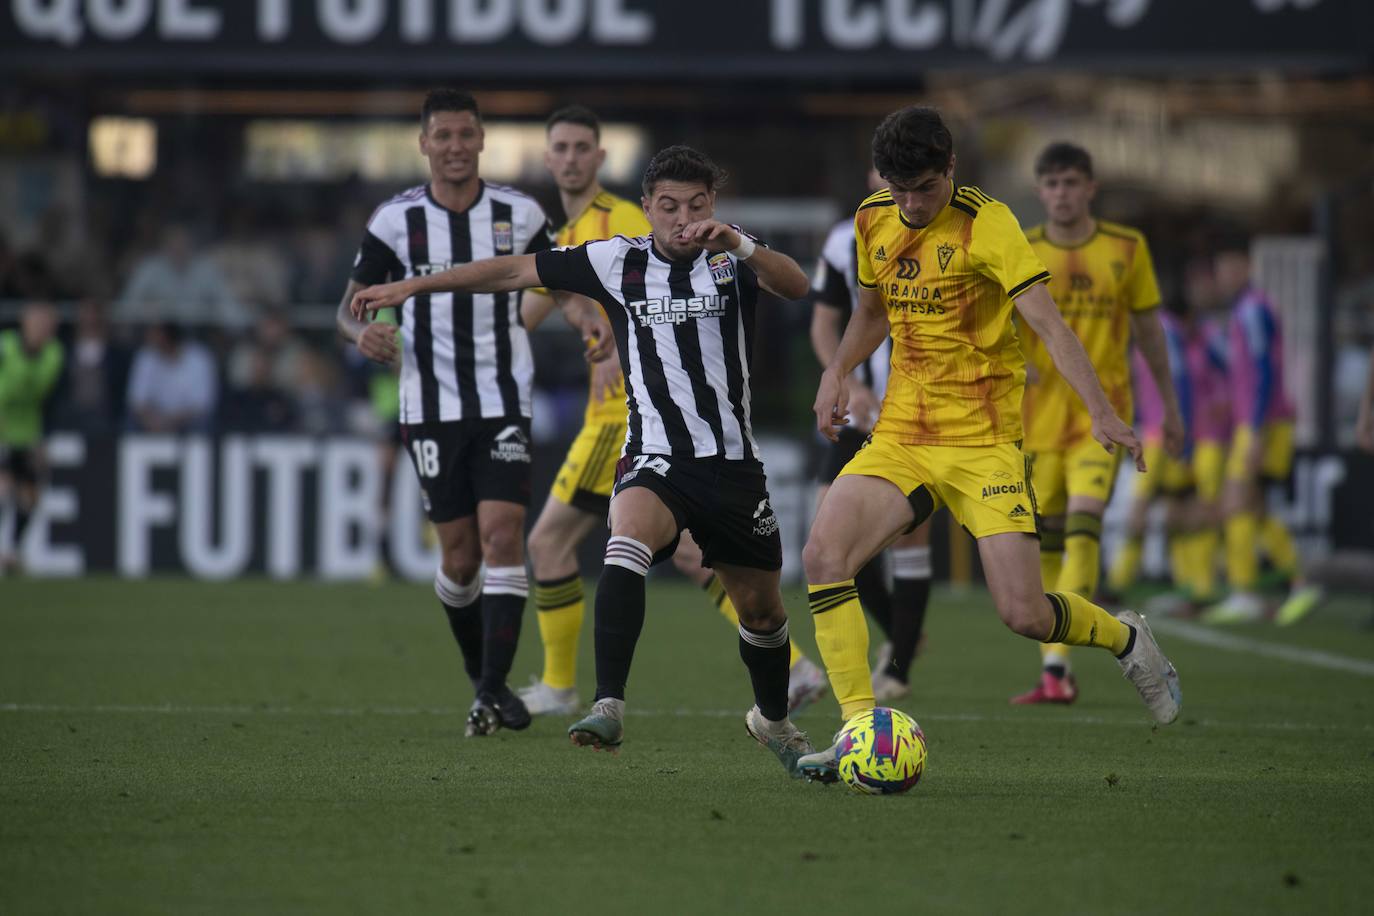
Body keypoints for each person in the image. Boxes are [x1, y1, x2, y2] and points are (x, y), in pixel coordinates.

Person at [353, 145, 818, 776]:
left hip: (733, 464)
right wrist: (413, 285)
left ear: (714, 205)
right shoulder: (615, 260)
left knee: (762, 613)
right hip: (654, 455)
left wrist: (738, 243)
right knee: (624, 539)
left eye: (698, 205)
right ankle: (608, 705)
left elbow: (797, 285)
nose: (684, 218)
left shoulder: (730, 256)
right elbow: (511, 271)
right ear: (648, 208)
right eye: (670, 206)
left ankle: (774, 721)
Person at [795, 107, 1183, 782]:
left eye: (924, 187)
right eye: (899, 189)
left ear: (950, 168)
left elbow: (1051, 326)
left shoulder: (988, 222)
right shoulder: (871, 217)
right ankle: (861, 731)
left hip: (984, 444)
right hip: (903, 436)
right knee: (824, 557)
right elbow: (871, 310)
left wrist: (1103, 412)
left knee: (1025, 615)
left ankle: (1125, 637)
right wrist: (838, 372)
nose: (911, 204)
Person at [515, 106, 828, 717]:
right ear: (548, 157)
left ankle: (787, 670)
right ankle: (594, 696)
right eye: (561, 147)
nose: (572, 157)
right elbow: (540, 298)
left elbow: (794, 285)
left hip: (639, 424)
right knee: (613, 542)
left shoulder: (631, 223)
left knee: (569, 542)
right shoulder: (581, 232)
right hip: (647, 436)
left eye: (583, 146)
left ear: (601, 158)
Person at [336, 89, 611, 738]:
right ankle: (483, 679)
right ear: (424, 144)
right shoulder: (394, 222)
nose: (456, 146)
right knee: (459, 559)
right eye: (444, 136)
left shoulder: (518, 212)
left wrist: (586, 320)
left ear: (483, 139)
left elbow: (559, 284)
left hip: (502, 399)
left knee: (501, 537)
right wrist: (362, 335)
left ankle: (492, 689)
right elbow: (347, 310)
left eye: (466, 135)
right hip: (428, 404)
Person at [1010, 142, 1184, 704]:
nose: (1061, 193)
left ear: (1091, 187)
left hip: (1101, 419)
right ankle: (1057, 668)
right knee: (1049, 540)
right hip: (1035, 424)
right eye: (1052, 184)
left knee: (1084, 522)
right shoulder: (1020, 249)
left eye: (1071, 182)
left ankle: (1057, 669)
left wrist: (1171, 410)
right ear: (1040, 192)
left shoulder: (1126, 248)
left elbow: (1151, 334)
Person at [810, 167, 933, 704]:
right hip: (862, 413)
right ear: (871, 173)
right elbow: (825, 323)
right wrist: (848, 380)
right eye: (887, 171)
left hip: (919, 417)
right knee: (830, 537)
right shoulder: (847, 237)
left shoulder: (956, 230)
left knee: (910, 537)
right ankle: (903, 633)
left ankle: (899, 668)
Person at [1204, 233, 1304, 624]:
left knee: (1236, 501)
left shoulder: (1252, 310)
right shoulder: (1245, 310)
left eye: (1232, 265)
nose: (1225, 274)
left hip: (1261, 423)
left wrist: (1256, 428)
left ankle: (1245, 590)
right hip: (1256, 421)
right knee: (1254, 506)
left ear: (1248, 266)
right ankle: (1299, 579)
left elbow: (1263, 371)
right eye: (1221, 267)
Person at [0, 301, 64, 573]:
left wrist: (42, 438)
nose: (42, 329)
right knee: (3, 489)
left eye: (47, 324)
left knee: (30, 497)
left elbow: (48, 401)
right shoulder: (4, 348)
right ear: (24, 323)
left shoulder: (54, 355)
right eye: (37, 322)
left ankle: (13, 550)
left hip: (27, 433)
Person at [125, 322, 219, 434]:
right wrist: (152, 421)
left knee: (203, 424)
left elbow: (202, 404)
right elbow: (137, 400)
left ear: (168, 338)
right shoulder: (146, 355)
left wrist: (170, 421)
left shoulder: (199, 358)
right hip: (153, 419)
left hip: (187, 420)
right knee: (129, 422)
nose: (152, 343)